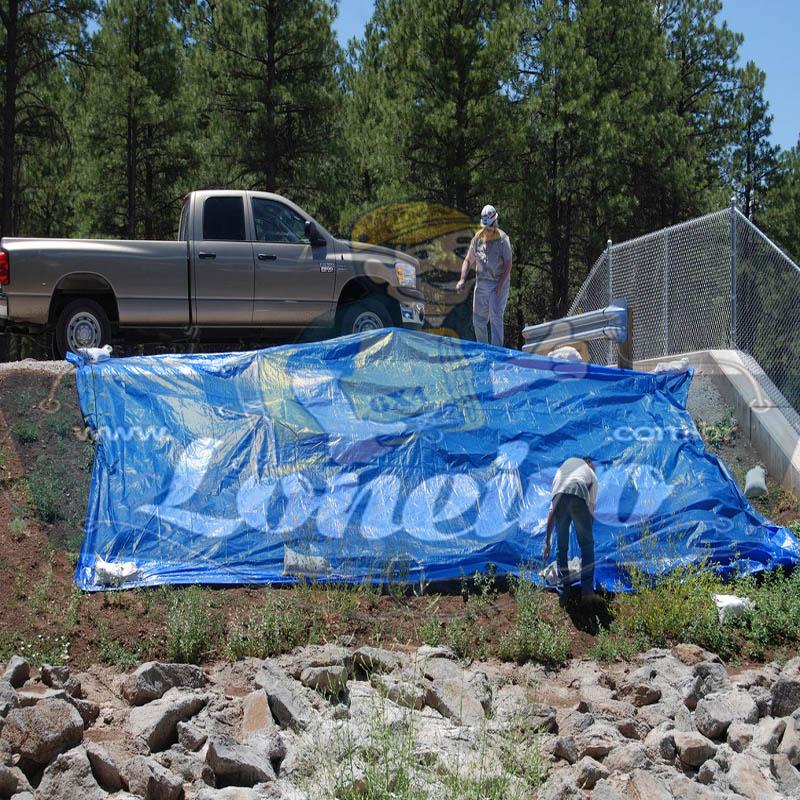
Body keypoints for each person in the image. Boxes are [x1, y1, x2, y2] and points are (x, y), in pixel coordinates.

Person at [543, 457, 602, 604]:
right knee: (587, 546)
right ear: (590, 467)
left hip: (559, 496)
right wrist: (587, 532)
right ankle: (587, 592)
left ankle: (563, 594)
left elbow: (551, 514)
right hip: (578, 493)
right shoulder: (591, 474)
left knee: (561, 548)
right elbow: (591, 511)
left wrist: (547, 542)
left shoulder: (563, 470)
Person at [455, 204, 512, 346]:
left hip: (499, 282)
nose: (488, 230)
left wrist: (500, 286)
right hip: (482, 284)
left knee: (495, 318)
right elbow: (468, 260)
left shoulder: (503, 239)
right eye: (486, 227)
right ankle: (484, 349)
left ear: (495, 222)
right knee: (478, 321)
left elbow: (508, 264)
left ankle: (497, 353)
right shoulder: (477, 239)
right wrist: (462, 279)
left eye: (491, 226)